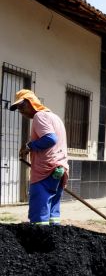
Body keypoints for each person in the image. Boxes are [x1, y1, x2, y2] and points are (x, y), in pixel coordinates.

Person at [9, 89, 70, 226]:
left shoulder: (40, 116)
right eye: (18, 108)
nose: (21, 111)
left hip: (45, 171)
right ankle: (54, 243)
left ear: (32, 103)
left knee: (39, 213)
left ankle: (38, 244)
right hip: (59, 170)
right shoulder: (55, 117)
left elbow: (50, 139)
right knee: (53, 212)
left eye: (22, 106)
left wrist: (29, 147)